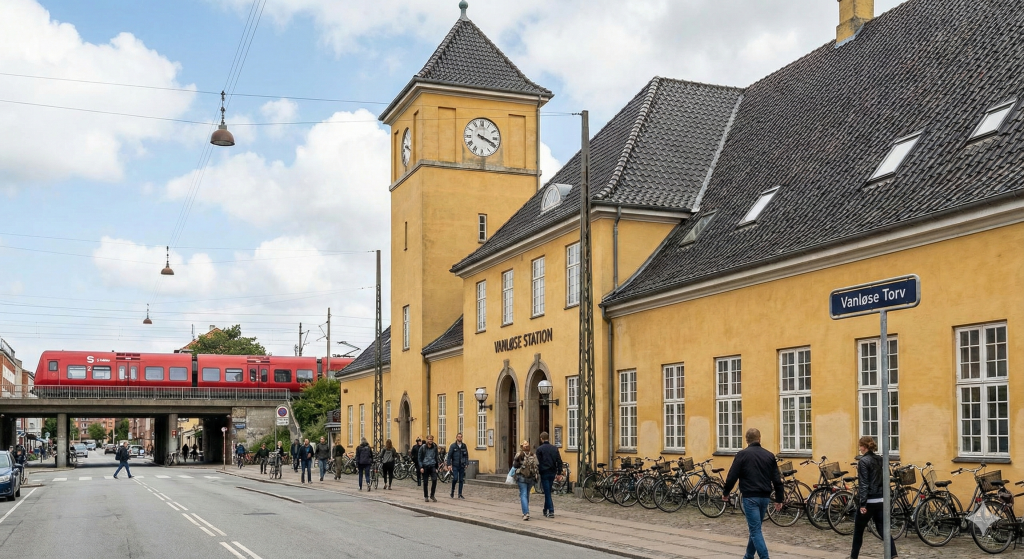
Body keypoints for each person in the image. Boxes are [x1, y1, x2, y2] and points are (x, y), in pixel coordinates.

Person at [722, 428, 785, 559]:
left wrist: (726, 492)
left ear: (746, 440)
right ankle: (748, 556)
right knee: (755, 529)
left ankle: (764, 557)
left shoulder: (742, 455)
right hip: (765, 498)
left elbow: (732, 476)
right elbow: (777, 479)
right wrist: (779, 498)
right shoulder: (769, 455)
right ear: (759, 439)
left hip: (750, 497)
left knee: (755, 530)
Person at [850, 436, 898, 559]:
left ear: (864, 447)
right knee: (883, 530)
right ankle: (893, 554)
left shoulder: (863, 461)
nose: (859, 448)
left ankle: (853, 557)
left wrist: (863, 504)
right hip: (881, 499)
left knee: (858, 531)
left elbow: (864, 484)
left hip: (870, 500)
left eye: (860, 446)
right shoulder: (880, 459)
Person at [535, 432, 562, 518]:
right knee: (548, 491)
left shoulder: (539, 449)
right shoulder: (554, 449)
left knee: (547, 493)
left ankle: (551, 511)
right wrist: (559, 473)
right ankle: (545, 509)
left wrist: (537, 472)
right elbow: (559, 461)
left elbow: (537, 463)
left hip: (544, 473)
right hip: (552, 472)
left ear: (541, 438)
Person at [513, 440, 539, 521]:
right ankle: (526, 510)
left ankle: (526, 513)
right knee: (526, 494)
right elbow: (537, 465)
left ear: (522, 447)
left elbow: (515, 465)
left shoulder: (519, 454)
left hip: (522, 477)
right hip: (531, 477)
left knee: (523, 495)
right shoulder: (533, 455)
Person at [447, 432, 469, 499]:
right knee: (455, 478)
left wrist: (466, 463)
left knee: (461, 480)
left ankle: (460, 493)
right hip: (455, 465)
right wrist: (449, 464)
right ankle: (452, 491)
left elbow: (466, 455)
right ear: (456, 438)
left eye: (461, 437)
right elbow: (449, 456)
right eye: (458, 437)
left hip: (462, 465)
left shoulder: (464, 446)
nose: (460, 438)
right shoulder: (453, 446)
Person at [418, 435, 439, 502]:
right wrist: (421, 467)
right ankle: (426, 496)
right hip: (425, 466)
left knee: (435, 479)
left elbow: (436, 457)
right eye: (429, 439)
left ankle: (432, 495)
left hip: (432, 466)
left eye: (431, 439)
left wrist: (436, 467)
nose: (430, 441)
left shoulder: (435, 447)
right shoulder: (423, 447)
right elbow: (419, 458)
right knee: (425, 482)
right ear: (427, 440)